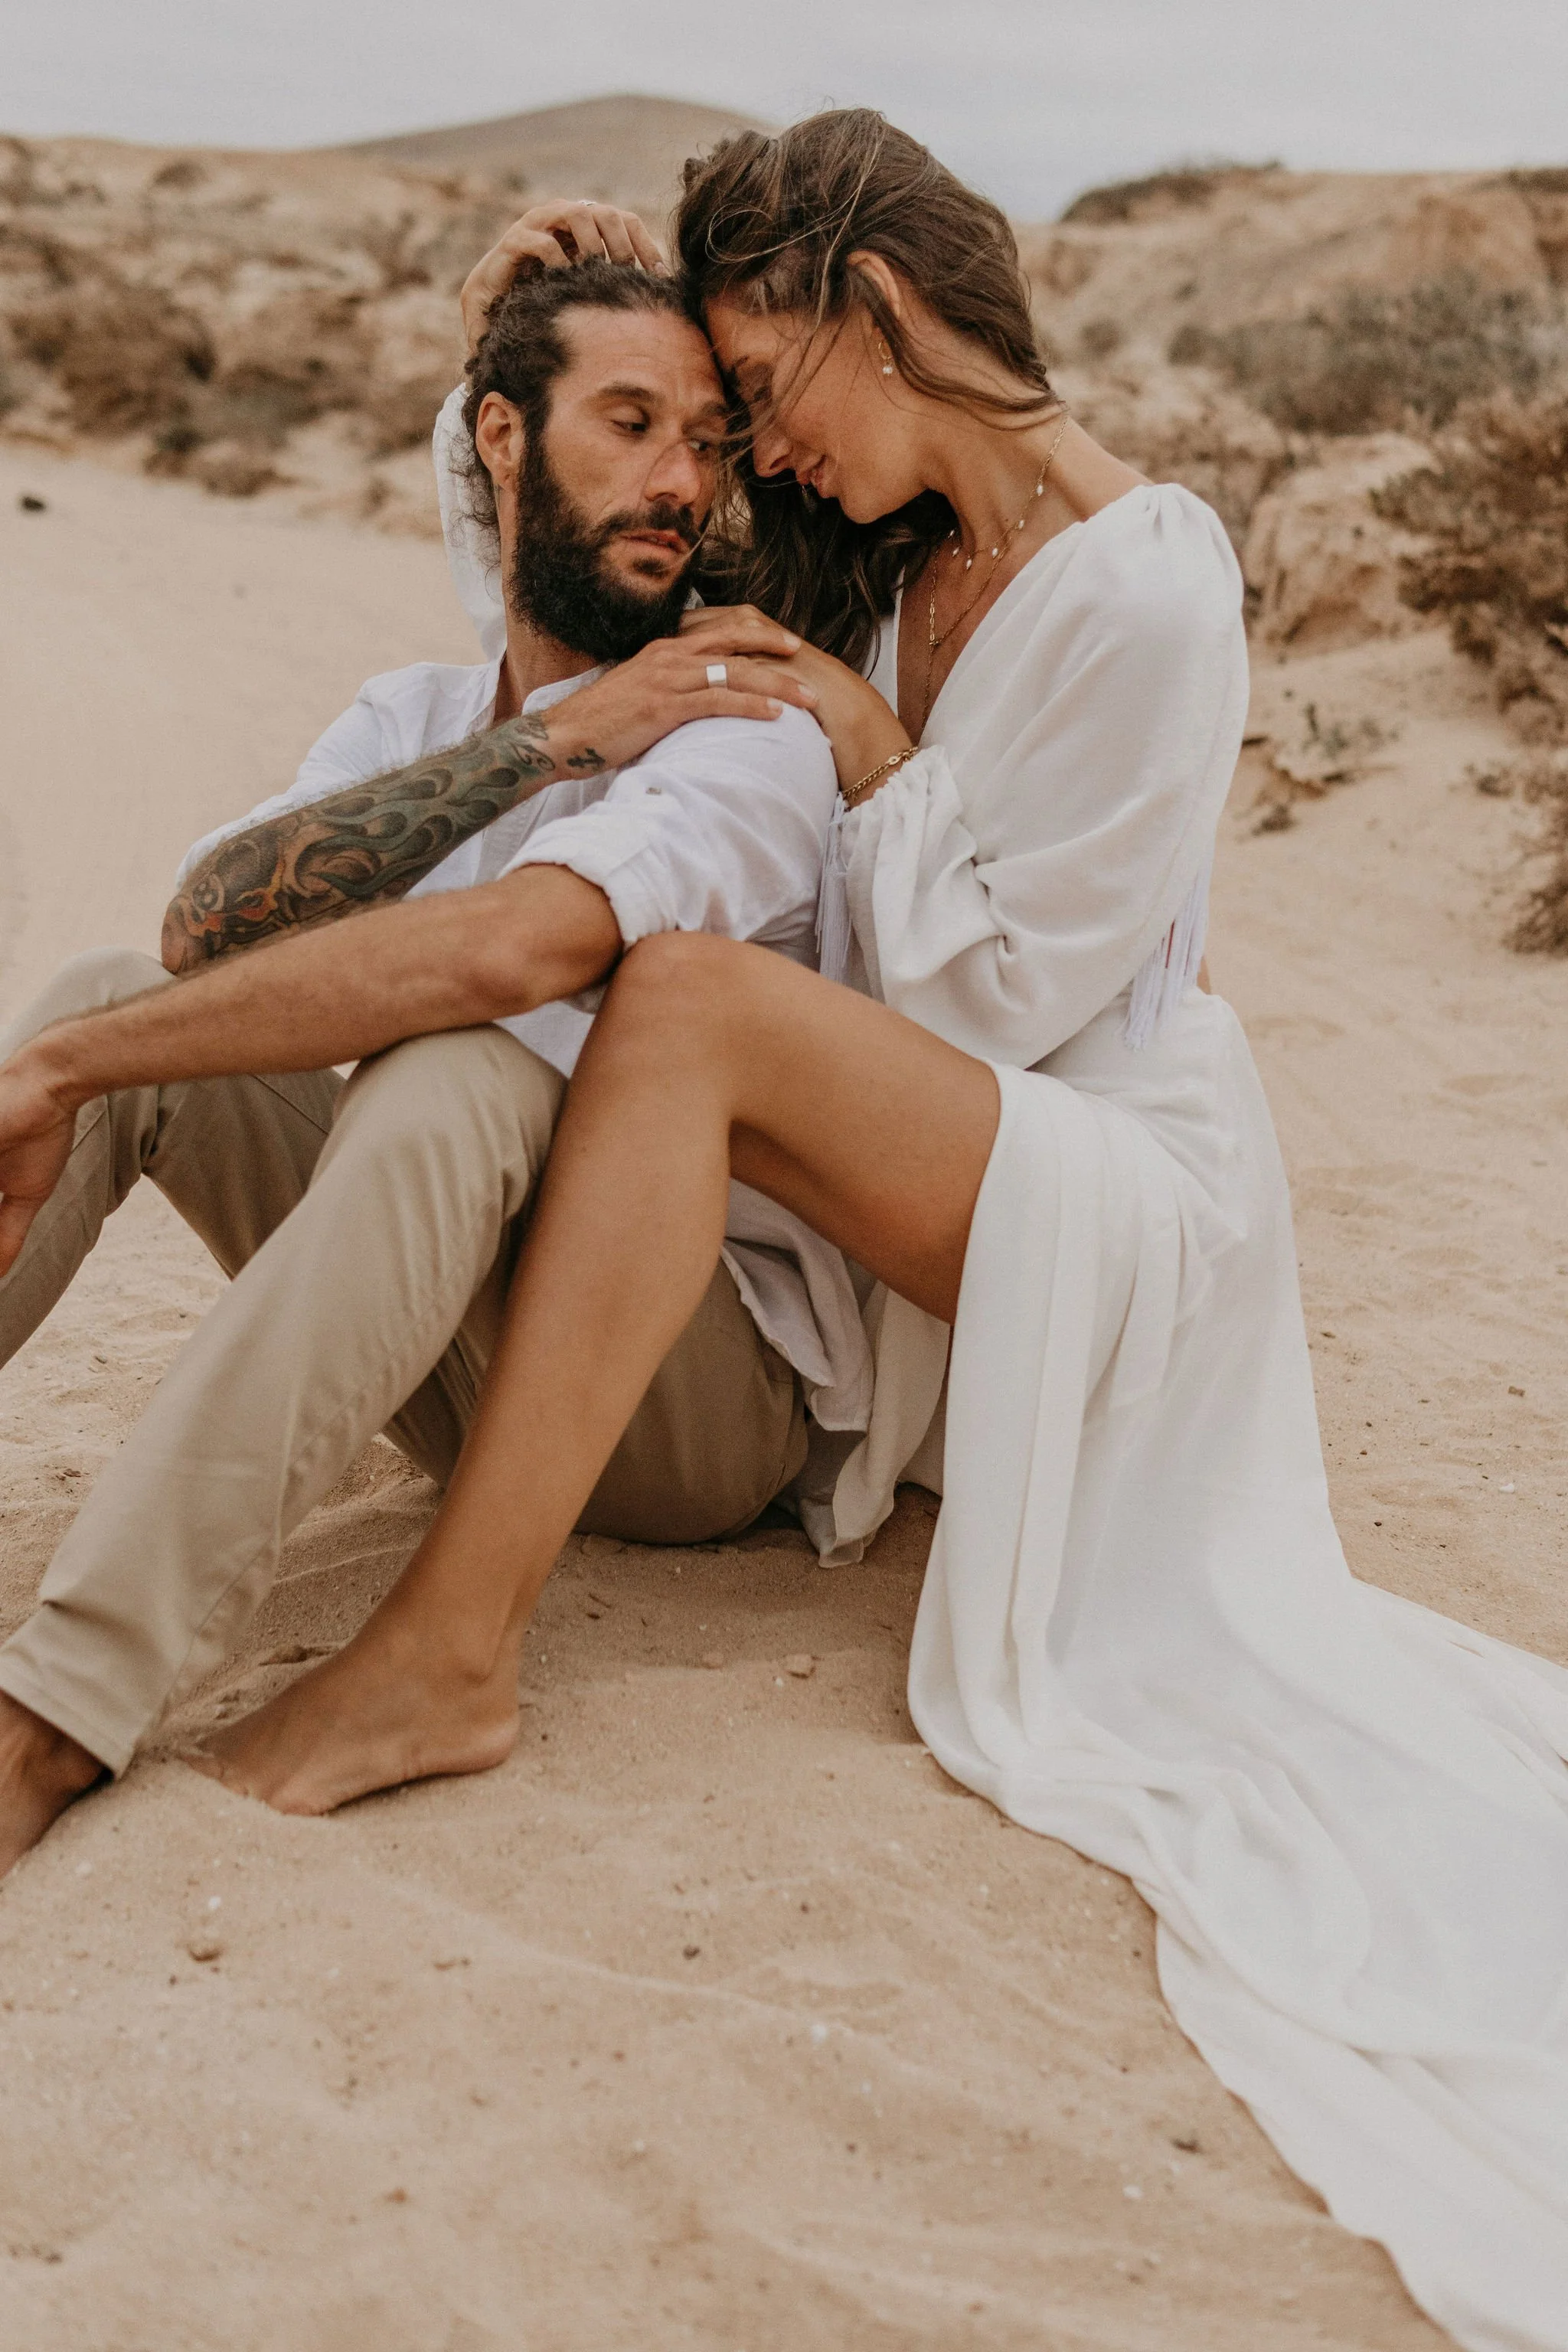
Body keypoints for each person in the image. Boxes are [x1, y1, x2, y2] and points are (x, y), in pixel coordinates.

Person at [124, 111, 1567, 2347]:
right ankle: (454, 1616)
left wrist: (882, 761)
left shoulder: (1149, 572)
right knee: (612, 1003)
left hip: (1107, 1156)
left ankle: (449, 1651)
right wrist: (531, 339)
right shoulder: (880, 543)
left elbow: (1007, 993)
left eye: (771, 382)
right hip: (945, 1102)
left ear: (875, 308)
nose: (764, 441)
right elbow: (560, 587)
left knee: (684, 999)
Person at [0, 231, 866, 1871]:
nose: (677, 480)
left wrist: (591, 736)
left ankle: (52, 1714)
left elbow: (509, 954)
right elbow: (204, 933)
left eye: (704, 440)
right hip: (451, 1344)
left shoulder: (740, 723)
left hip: (687, 1406)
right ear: (500, 439)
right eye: (627, 423)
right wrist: (535, 746)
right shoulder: (414, 716)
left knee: (463, 1063)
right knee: (112, 995)